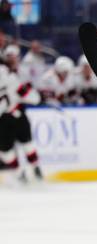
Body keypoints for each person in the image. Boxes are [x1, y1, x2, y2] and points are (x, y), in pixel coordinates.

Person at [0, 53, 42, 183]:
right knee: (12, 149)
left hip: (10, 118)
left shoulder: (8, 75)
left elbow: (31, 96)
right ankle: (27, 171)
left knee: (16, 148)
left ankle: (26, 171)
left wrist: (29, 93)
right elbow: (34, 98)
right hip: (11, 117)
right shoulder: (9, 75)